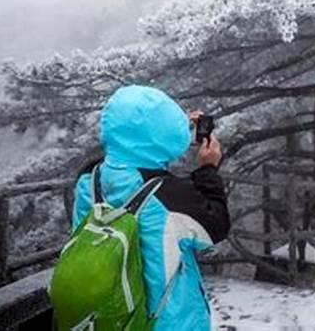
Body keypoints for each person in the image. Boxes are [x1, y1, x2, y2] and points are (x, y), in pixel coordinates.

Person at [72, 85, 230, 330]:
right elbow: (216, 228)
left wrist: (163, 130)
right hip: (165, 322)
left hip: (105, 318)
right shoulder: (169, 196)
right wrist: (208, 170)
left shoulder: (87, 182)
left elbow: (119, 154)